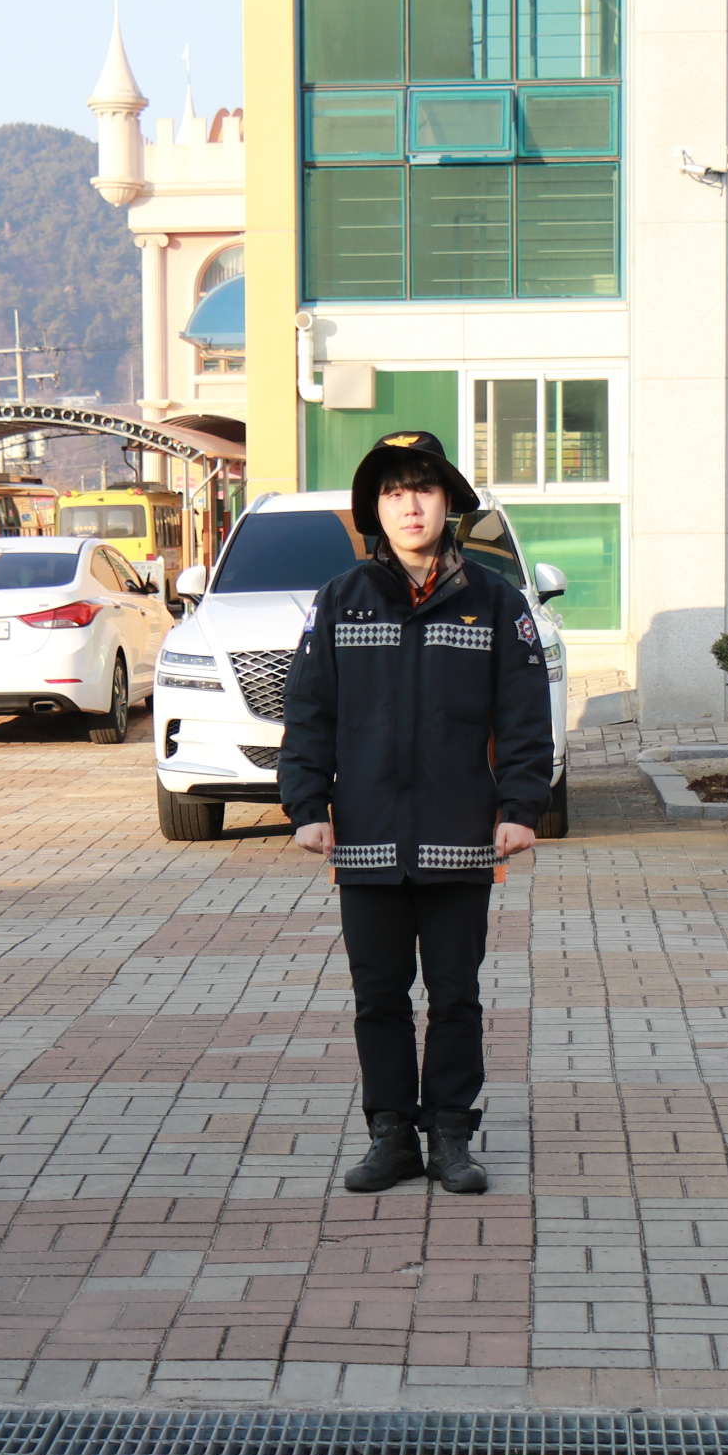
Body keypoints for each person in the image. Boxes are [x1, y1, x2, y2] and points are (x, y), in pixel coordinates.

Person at [277, 430, 555, 1195]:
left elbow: (526, 717)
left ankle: (453, 1139)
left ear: (448, 505)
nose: (409, 504)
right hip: (365, 839)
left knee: (456, 995)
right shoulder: (340, 601)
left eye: (423, 489)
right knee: (379, 998)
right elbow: (310, 714)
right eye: (394, 491)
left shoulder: (493, 604)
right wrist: (306, 803)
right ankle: (391, 1135)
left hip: (461, 838)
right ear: (376, 507)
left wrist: (520, 806)